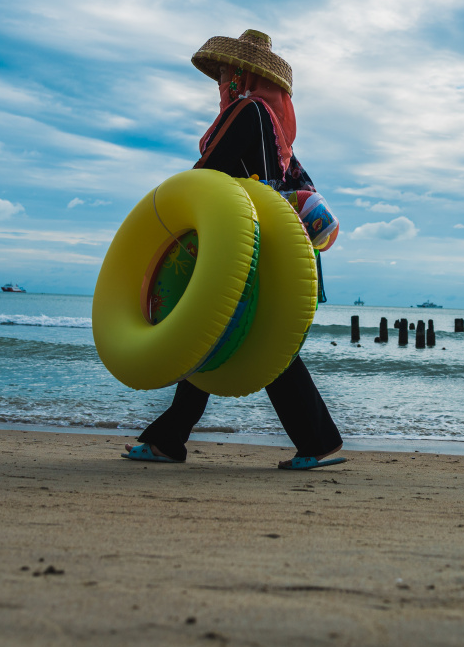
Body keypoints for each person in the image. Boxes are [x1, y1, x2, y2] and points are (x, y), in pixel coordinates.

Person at [123, 30, 345, 470]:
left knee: (235, 335)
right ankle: (172, 438)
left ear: (242, 76)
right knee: (231, 335)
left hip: (248, 243)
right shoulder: (278, 133)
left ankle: (316, 438)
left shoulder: (247, 112)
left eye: (225, 72)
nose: (220, 80)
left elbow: (210, 175)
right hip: (278, 245)